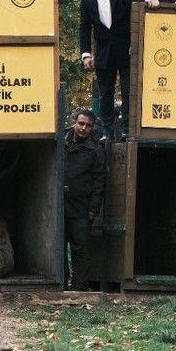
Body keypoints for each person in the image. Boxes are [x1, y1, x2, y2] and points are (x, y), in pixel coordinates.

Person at [79, 0, 131, 133]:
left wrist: (136, 45)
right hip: (103, 53)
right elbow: (84, 28)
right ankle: (106, 132)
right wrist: (86, 54)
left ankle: (127, 130)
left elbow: (134, 18)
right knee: (105, 94)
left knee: (128, 92)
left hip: (127, 51)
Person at [63, 110, 106, 290]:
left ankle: (80, 286)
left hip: (81, 207)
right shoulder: (61, 142)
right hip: (59, 205)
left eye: (88, 125)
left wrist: (93, 209)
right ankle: (61, 284)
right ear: (74, 122)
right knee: (58, 247)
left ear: (92, 127)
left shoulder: (95, 150)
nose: (83, 128)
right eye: (81, 123)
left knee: (80, 248)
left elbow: (99, 181)